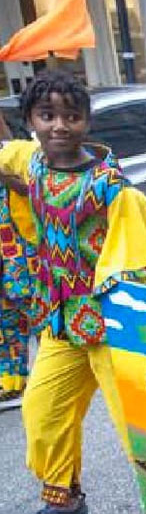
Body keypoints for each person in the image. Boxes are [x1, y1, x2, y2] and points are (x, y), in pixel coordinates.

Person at [0, 69, 146, 514]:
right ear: (31, 121)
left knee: (134, 418)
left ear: (86, 122)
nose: (60, 125)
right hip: (57, 323)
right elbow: (7, 167)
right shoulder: (29, 161)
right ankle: (64, 504)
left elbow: (139, 261)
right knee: (41, 413)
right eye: (47, 115)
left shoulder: (112, 187)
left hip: (107, 323)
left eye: (71, 116)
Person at [0, 112, 34, 410]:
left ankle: (59, 375)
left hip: (21, 257)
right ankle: (11, 383)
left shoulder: (16, 153)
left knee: (36, 318)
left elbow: (30, 189)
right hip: (5, 258)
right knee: (6, 322)